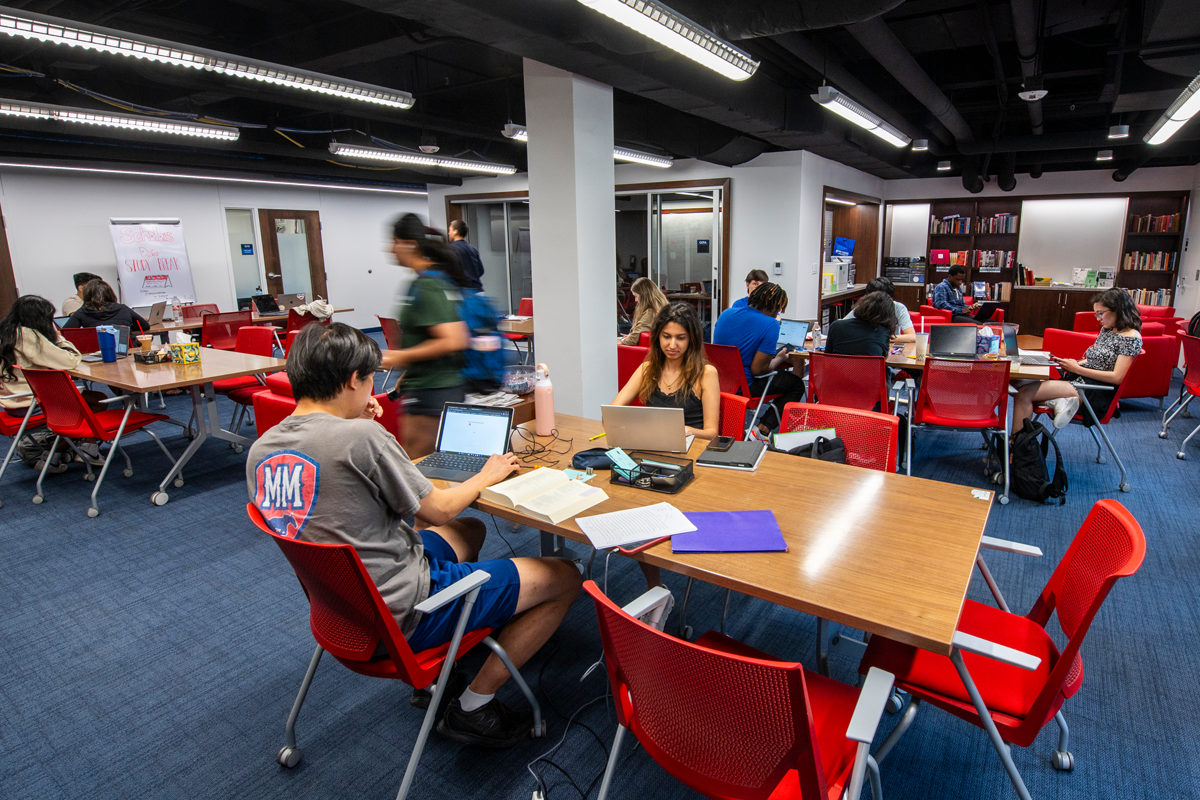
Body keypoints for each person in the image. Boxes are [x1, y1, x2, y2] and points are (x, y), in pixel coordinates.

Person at [247, 323, 582, 748]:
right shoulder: (361, 438)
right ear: (353, 380)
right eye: (368, 380)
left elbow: (340, 496)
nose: (371, 390)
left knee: (469, 529)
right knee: (567, 576)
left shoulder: (262, 451)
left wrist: (354, 419)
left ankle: (468, 633)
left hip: (342, 606)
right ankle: (473, 706)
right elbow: (437, 508)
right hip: (405, 611)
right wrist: (486, 473)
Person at [612, 302, 719, 587]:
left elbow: (712, 432)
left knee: (648, 506)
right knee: (628, 505)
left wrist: (687, 430)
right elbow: (615, 409)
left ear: (692, 339)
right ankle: (655, 584)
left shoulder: (706, 373)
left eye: (680, 338)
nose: (672, 344)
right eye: (666, 336)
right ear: (657, 336)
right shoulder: (649, 367)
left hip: (689, 459)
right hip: (651, 454)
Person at [381, 217, 470, 459]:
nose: (390, 248)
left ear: (409, 244)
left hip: (435, 392)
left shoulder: (429, 285)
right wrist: (409, 372)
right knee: (422, 466)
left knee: (419, 469)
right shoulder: (422, 283)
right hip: (427, 385)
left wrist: (401, 356)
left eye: (395, 242)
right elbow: (427, 336)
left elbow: (454, 340)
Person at [1013, 289, 1142, 431]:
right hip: (1079, 380)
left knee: (1023, 393)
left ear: (1118, 309)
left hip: (1092, 390)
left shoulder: (1131, 337)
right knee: (1017, 383)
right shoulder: (1109, 329)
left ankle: (1017, 448)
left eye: (1101, 313)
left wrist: (1077, 368)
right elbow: (1095, 361)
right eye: (1096, 314)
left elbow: (1117, 377)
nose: (1098, 318)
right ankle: (1060, 402)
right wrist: (1070, 364)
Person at [712, 282, 805, 434]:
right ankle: (762, 429)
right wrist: (780, 358)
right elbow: (758, 369)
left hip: (720, 382)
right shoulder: (771, 324)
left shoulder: (726, 313)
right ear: (772, 307)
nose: (777, 314)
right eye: (778, 310)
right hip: (745, 387)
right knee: (796, 385)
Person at [824, 291, 899, 358]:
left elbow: (827, 356)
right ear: (887, 315)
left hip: (837, 373)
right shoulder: (882, 332)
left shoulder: (836, 326)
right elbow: (883, 359)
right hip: (870, 373)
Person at [844, 277, 916, 343]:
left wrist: (881, 338)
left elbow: (912, 336)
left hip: (889, 347)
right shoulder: (863, 308)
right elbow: (841, 326)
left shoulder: (899, 308)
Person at [62, 279, 150, 333]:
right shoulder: (123, 308)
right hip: (126, 350)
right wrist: (127, 328)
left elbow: (66, 332)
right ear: (109, 293)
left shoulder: (83, 312)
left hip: (98, 352)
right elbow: (145, 326)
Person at [618, 277, 669, 346]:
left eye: (636, 296)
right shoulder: (663, 308)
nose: (635, 300)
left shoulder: (650, 313)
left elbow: (632, 340)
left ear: (643, 295)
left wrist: (621, 342)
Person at [448, 220, 485, 291]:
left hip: (462, 291)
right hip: (477, 289)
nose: (448, 233)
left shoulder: (451, 249)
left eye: (450, 230)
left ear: (455, 232)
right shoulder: (473, 249)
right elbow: (481, 270)